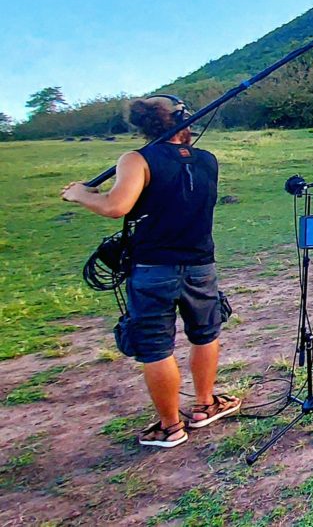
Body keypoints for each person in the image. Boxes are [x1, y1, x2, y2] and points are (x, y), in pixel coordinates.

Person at [60, 95, 239, 449]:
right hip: (201, 262)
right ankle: (205, 404)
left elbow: (116, 207)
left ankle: (171, 427)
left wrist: (81, 194)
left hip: (154, 266)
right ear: (183, 120)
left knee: (157, 347)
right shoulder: (207, 160)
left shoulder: (136, 159)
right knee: (205, 332)